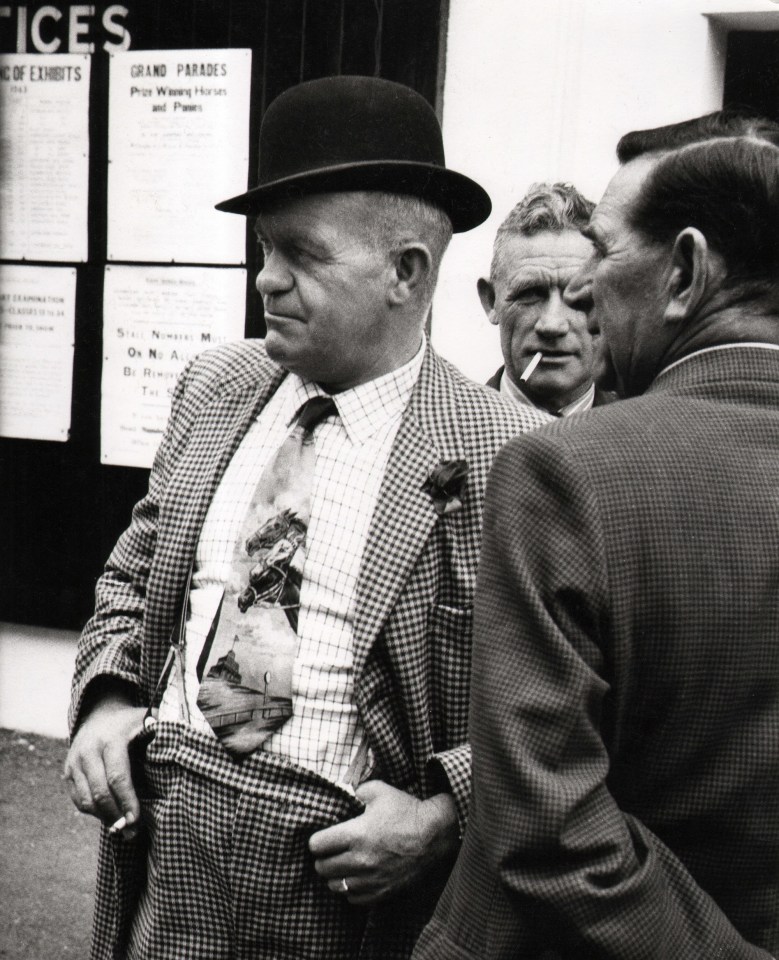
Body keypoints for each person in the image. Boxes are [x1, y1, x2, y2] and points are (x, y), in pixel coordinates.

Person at [62, 75, 548, 960]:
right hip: (172, 832)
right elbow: (133, 576)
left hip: (353, 879)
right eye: (260, 249)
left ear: (407, 272)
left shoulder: (511, 452)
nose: (265, 279)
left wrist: (444, 815)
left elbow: (559, 698)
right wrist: (108, 695)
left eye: (301, 254)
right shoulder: (215, 389)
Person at [412, 110, 779, 959]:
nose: (575, 301)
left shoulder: (565, 474)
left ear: (684, 270)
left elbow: (546, 825)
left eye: (602, 257)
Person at [482, 183, 613, 415]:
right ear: (492, 300)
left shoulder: (647, 441)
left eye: (579, 297)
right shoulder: (444, 432)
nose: (552, 324)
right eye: (530, 294)